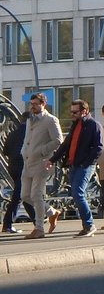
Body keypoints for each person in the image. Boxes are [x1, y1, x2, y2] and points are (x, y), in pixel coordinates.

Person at [47, 99, 103, 238]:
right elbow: (66, 145)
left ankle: (89, 225)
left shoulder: (94, 125)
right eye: (71, 112)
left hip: (85, 165)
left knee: (78, 192)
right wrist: (52, 160)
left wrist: (86, 162)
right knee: (76, 193)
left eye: (75, 112)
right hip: (73, 164)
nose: (72, 114)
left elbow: (99, 148)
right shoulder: (75, 125)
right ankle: (86, 226)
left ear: (85, 111)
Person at [19, 93, 63, 240]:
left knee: (36, 195)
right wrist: (24, 151)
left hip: (41, 162)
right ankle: (51, 212)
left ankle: (39, 228)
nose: (33, 106)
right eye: (32, 103)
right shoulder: (30, 119)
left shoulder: (51, 120)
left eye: (36, 104)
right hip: (27, 162)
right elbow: (28, 139)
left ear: (43, 104)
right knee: (25, 195)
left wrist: (42, 151)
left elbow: (58, 140)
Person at [2, 112, 36, 233]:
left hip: (12, 167)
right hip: (25, 167)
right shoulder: (31, 134)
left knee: (24, 193)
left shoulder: (12, 134)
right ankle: (7, 224)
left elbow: (5, 151)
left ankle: (37, 220)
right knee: (20, 196)